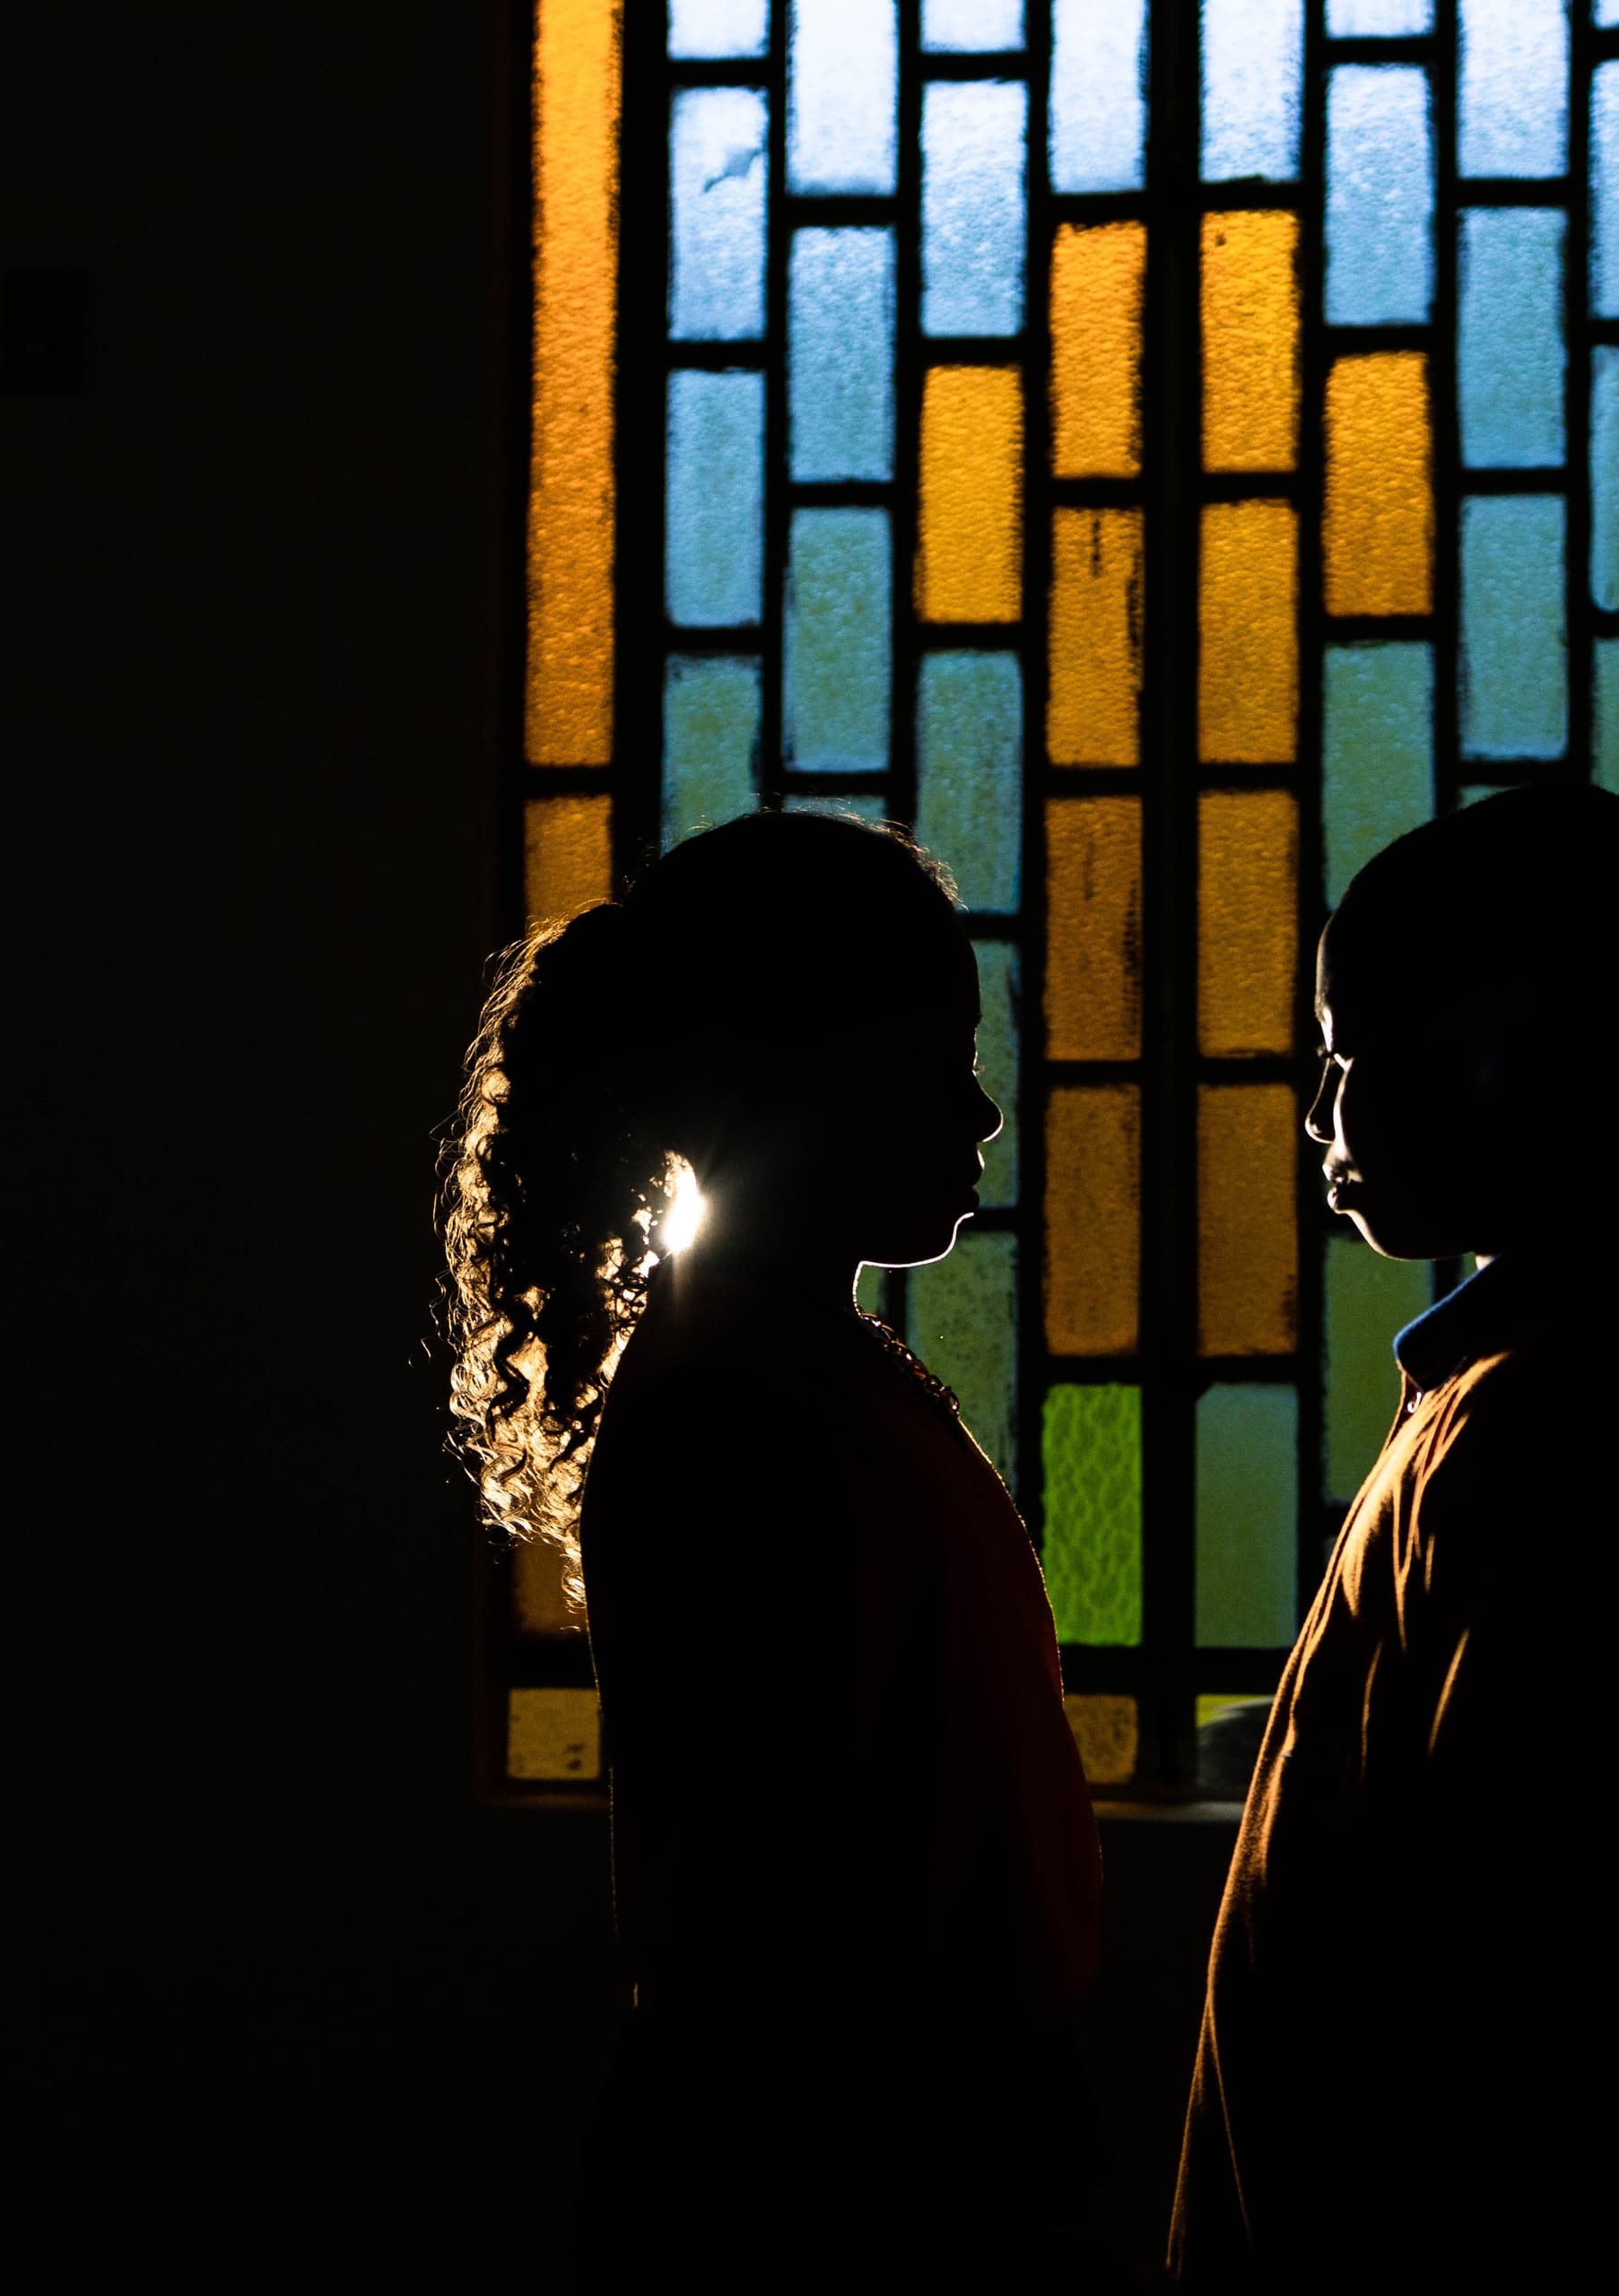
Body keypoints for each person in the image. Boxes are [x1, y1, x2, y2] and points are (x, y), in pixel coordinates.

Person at [434, 810, 1137, 2292]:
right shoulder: (750, 1409)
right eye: (934, 1060)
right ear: (785, 1079)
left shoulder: (793, 1373)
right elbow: (784, 1919)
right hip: (853, 2179)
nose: (982, 1115)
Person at [1169, 783, 1619, 2290]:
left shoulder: (1556, 1425)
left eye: (1347, 1057)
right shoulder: (1509, 1385)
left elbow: (1499, 1960)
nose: (1317, 1114)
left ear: (1500, 1063)